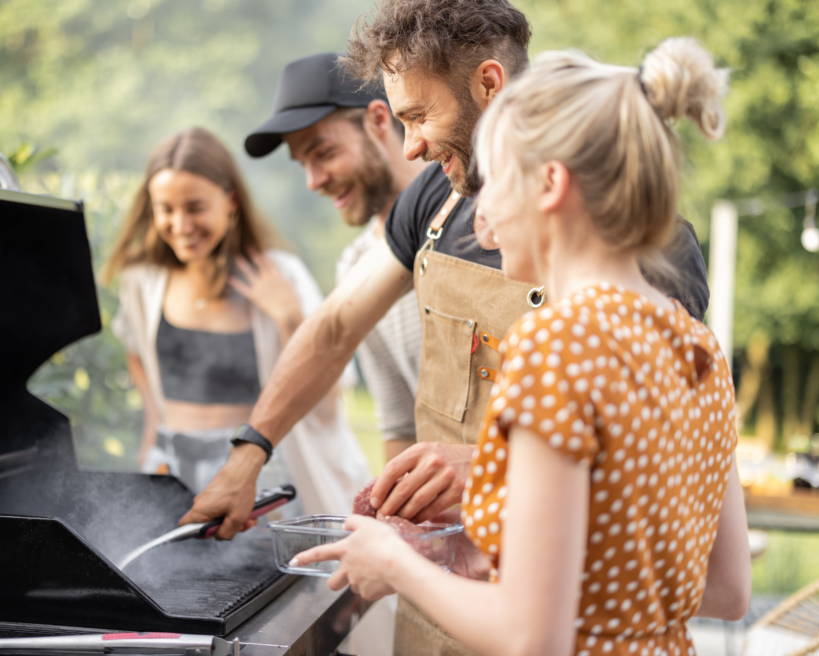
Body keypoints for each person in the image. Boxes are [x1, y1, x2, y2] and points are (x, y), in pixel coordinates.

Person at [180, 1, 709, 651]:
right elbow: (336, 326)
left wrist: (494, 468)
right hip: (442, 596)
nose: (410, 147)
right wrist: (249, 452)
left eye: (419, 115)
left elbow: (653, 477)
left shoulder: (640, 268)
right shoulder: (431, 200)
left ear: (489, 84)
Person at [293, 37, 752, 656]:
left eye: (495, 184)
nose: (480, 221)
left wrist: (397, 568)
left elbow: (532, 636)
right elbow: (726, 590)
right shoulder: (696, 348)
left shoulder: (555, 345)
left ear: (550, 186)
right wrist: (479, 556)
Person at [105, 127, 370, 514]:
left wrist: (289, 315)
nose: (180, 225)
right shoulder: (142, 281)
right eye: (166, 209)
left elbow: (329, 395)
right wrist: (152, 426)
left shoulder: (281, 274)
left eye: (195, 207)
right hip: (169, 467)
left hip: (255, 470)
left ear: (230, 200)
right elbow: (135, 350)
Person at [245, 52, 429, 464]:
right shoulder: (354, 265)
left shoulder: (471, 217)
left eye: (323, 153)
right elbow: (400, 425)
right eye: (303, 164)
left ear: (379, 120)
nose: (313, 181)